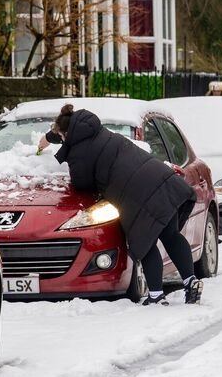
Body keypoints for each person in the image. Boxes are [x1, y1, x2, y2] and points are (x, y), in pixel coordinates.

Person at [39, 104, 203, 305]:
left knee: (145, 243)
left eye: (62, 136)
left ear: (67, 134)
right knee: (170, 235)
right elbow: (71, 135)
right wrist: (49, 137)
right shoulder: (96, 131)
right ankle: (191, 281)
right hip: (161, 180)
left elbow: (82, 184)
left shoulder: (79, 152)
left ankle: (156, 296)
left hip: (138, 194)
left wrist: (65, 151)